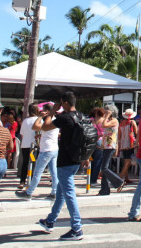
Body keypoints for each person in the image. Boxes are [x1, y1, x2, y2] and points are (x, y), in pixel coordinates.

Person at [37, 91, 87, 241]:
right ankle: (50, 220)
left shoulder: (64, 118)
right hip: (76, 159)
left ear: (64, 103)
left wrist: (52, 112)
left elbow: (45, 127)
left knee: (69, 194)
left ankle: (77, 228)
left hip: (65, 160)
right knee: (61, 192)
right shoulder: (81, 116)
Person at [16, 104, 58, 199]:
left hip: (46, 149)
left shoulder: (47, 122)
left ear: (47, 112)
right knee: (54, 172)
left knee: (37, 172)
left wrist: (39, 117)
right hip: (54, 148)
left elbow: (35, 127)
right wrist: (41, 135)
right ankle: (54, 192)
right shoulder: (56, 120)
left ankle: (29, 192)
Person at [97, 105, 125, 195]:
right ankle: (104, 190)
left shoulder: (114, 120)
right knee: (105, 168)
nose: (105, 112)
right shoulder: (109, 120)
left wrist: (106, 116)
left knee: (104, 168)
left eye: (107, 111)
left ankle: (119, 181)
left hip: (110, 146)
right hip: (106, 146)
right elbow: (102, 126)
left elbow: (104, 125)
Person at [18, 103, 39, 189]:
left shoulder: (25, 121)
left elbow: (21, 134)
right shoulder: (38, 120)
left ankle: (22, 181)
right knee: (33, 163)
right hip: (34, 145)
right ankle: (31, 181)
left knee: (25, 163)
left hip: (25, 145)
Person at [117, 108, 138, 186]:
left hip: (123, 144)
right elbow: (136, 132)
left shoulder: (121, 123)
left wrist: (119, 144)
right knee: (128, 162)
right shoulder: (132, 122)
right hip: (130, 144)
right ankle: (119, 178)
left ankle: (126, 178)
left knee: (125, 161)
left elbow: (119, 135)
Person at [88, 108, 106, 187]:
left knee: (91, 161)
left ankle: (89, 179)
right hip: (100, 141)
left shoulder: (91, 120)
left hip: (91, 141)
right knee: (97, 162)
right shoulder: (104, 121)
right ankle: (93, 180)